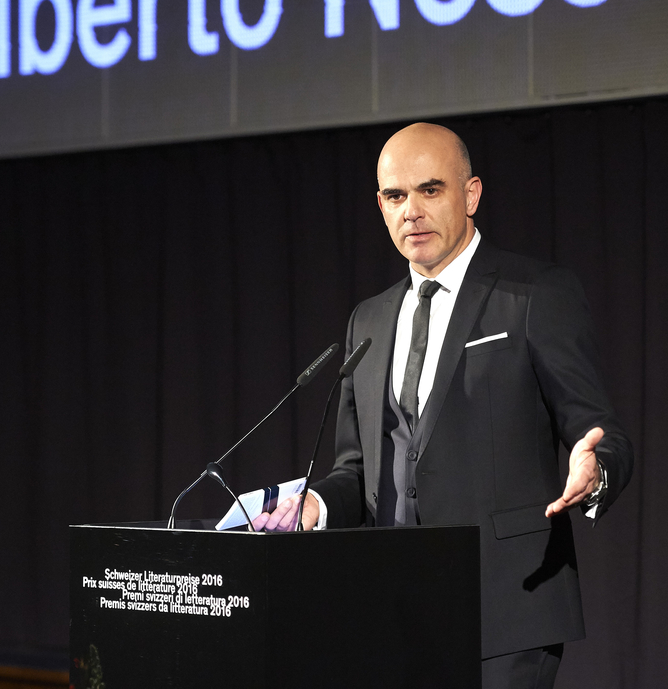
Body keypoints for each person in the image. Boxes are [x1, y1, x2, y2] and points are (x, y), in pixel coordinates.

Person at [254, 122, 633, 689]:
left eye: (430, 190)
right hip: (394, 612)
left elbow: (600, 430)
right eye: (395, 196)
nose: (412, 211)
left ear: (471, 194)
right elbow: (357, 470)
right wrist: (317, 506)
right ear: (380, 207)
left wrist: (596, 468)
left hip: (506, 608)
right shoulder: (368, 320)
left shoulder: (535, 293)